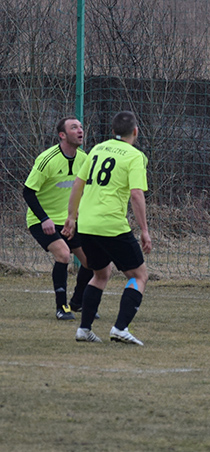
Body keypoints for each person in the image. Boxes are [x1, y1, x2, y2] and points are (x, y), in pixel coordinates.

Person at [62, 111, 152, 345]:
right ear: (135, 131)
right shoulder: (135, 156)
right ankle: (120, 327)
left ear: (113, 132)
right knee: (139, 275)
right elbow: (136, 193)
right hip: (111, 225)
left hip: (88, 224)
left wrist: (71, 218)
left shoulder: (97, 149)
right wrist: (144, 229)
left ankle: (84, 329)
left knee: (101, 273)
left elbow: (78, 185)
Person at [23, 116, 94, 320]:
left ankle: (77, 303)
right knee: (63, 255)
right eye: (74, 127)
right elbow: (28, 192)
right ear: (62, 135)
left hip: (70, 220)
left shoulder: (84, 159)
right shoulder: (48, 159)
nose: (80, 130)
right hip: (42, 220)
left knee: (91, 262)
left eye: (81, 126)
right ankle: (61, 307)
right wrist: (44, 218)